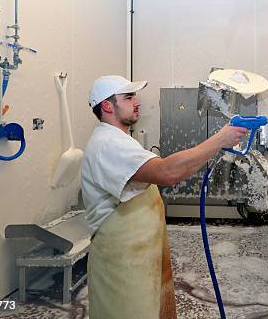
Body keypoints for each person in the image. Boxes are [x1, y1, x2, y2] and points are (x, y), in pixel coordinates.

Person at [81, 75, 247, 319]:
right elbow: (167, 172)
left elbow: (179, 172)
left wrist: (216, 145)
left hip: (138, 256)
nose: (136, 102)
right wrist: (219, 139)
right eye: (128, 97)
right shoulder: (108, 144)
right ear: (107, 106)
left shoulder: (120, 140)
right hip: (121, 263)